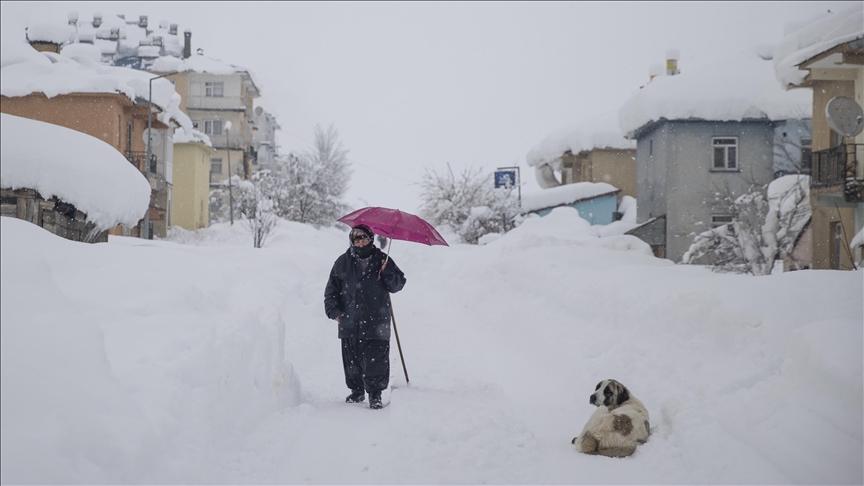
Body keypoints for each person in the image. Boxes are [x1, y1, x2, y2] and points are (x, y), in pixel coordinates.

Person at [324, 224, 406, 409]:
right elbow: (331, 290)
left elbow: (397, 285)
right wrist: (334, 311)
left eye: (364, 238)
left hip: (377, 319)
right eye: (357, 239)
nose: (361, 242)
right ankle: (357, 390)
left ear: (371, 239)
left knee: (375, 359)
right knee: (352, 360)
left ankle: (375, 395)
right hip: (349, 320)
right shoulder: (342, 262)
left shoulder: (383, 260)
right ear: (352, 242)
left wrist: (388, 272)